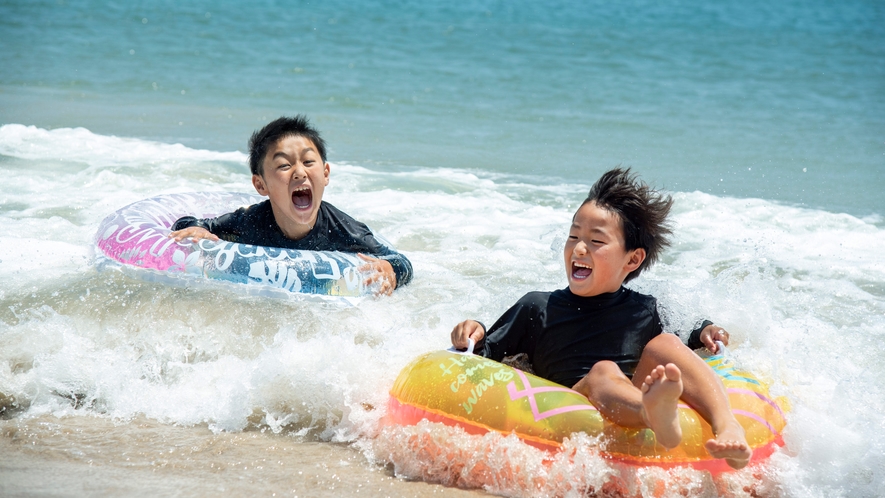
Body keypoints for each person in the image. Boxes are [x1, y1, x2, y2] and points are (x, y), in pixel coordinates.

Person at [449, 168, 752, 470]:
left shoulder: (644, 310)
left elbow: (684, 341)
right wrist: (472, 330)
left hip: (628, 393)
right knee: (603, 372)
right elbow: (479, 356)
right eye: (573, 236)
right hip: (571, 403)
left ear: (632, 259)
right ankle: (652, 412)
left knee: (665, 343)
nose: (579, 248)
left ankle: (726, 424)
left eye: (596, 241)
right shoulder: (537, 307)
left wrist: (705, 332)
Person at [169, 115, 412, 295]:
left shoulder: (342, 229)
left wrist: (390, 270)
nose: (299, 172)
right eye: (284, 165)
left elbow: (400, 261)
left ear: (326, 173)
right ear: (261, 185)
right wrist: (197, 230)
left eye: (308, 161)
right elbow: (193, 224)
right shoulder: (251, 221)